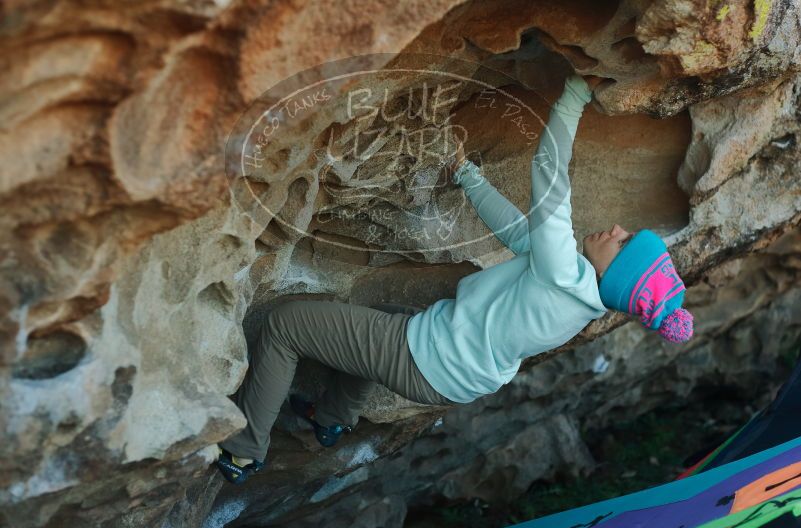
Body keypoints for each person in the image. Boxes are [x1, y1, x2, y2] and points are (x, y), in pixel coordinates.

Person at [214, 73, 694, 484]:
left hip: (424, 358)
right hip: (452, 377)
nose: (617, 229)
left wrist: (574, 94)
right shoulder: (577, 291)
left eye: (624, 243)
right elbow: (517, 231)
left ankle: (245, 451)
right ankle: (333, 419)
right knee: (381, 317)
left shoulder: (565, 273)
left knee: (286, 326)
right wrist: (466, 174)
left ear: (615, 274)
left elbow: (550, 177)